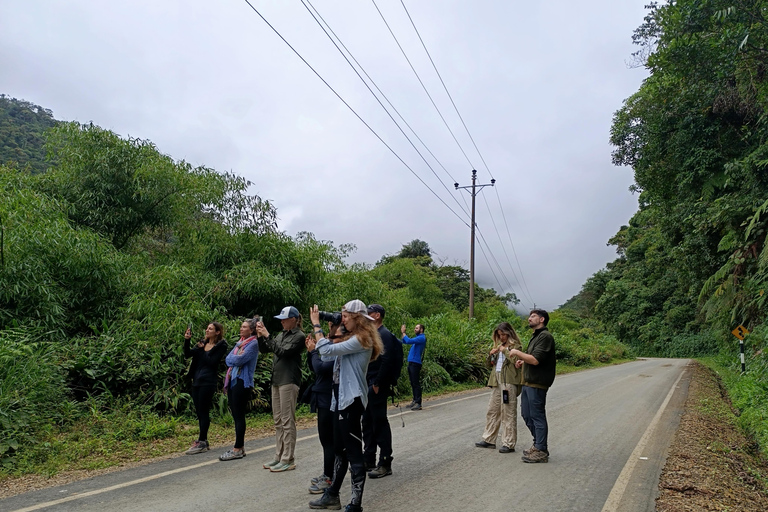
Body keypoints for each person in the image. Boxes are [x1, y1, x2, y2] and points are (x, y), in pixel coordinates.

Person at [307, 300, 383, 512]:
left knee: (353, 453)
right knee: (340, 451)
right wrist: (332, 329)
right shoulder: (354, 338)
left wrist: (316, 325)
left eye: (346, 316)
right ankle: (332, 495)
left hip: (351, 401)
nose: (343, 319)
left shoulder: (362, 339)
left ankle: (355, 504)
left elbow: (324, 350)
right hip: (341, 400)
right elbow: (330, 347)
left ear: (357, 318)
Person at [256, 306, 306, 473]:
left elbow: (283, 352)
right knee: (278, 420)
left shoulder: (299, 336)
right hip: (277, 380)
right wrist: (260, 336)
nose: (282, 322)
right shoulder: (281, 334)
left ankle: (288, 458)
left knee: (287, 420)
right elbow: (266, 349)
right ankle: (279, 455)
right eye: (281, 319)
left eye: (284, 319)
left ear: (294, 319)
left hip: (289, 380)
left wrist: (268, 335)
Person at [508, 309, 556, 463]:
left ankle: (541, 449)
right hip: (528, 382)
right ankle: (538, 445)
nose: (529, 318)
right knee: (527, 415)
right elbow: (532, 359)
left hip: (537, 383)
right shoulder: (536, 337)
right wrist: (522, 361)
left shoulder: (545, 336)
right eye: (530, 316)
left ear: (542, 319)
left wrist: (516, 352)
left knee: (537, 416)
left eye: (533, 316)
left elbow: (535, 360)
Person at [363, 304, 403, 478]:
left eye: (369, 313)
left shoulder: (384, 335)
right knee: (367, 421)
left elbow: (386, 361)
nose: (365, 316)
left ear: (377, 315)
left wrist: (378, 383)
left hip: (377, 384)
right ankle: (368, 458)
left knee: (379, 422)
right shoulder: (373, 334)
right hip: (368, 383)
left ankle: (385, 462)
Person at [474, 322, 523, 453]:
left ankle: (509, 442)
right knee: (492, 410)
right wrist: (491, 355)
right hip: (497, 381)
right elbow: (489, 365)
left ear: (509, 333)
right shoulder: (498, 346)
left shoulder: (516, 346)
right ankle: (489, 439)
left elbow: (516, 361)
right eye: (499, 335)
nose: (501, 337)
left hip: (509, 382)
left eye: (503, 334)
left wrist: (506, 351)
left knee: (508, 412)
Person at [183, 322, 228, 455]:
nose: (207, 330)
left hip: (208, 382)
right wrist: (187, 340)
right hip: (196, 380)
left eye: (210, 329)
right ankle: (203, 440)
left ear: (217, 332)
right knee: (199, 411)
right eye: (207, 328)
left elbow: (211, 362)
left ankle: (202, 440)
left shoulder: (221, 346)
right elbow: (188, 354)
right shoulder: (202, 343)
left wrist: (202, 350)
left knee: (204, 411)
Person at [219, 318, 260, 461]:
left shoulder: (253, 344)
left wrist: (233, 359)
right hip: (233, 380)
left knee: (239, 415)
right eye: (241, 326)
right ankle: (240, 447)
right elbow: (228, 358)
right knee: (236, 415)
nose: (241, 329)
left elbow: (237, 360)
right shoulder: (240, 343)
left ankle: (237, 448)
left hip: (242, 382)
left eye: (244, 327)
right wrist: (233, 358)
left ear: (252, 329)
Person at [306, 321, 339, 495]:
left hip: (329, 398)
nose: (328, 325)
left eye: (332, 324)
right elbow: (314, 367)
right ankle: (328, 473)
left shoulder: (336, 349)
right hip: (322, 396)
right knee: (325, 440)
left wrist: (314, 352)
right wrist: (311, 351)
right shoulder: (329, 346)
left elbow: (321, 368)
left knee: (328, 441)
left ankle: (329, 477)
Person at [401, 323, 426, 410]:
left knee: (416, 383)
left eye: (417, 328)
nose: (415, 329)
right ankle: (415, 400)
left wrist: (404, 333)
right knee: (412, 382)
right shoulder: (417, 338)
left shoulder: (421, 338)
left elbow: (408, 341)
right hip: (412, 362)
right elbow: (404, 341)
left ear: (421, 330)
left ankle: (418, 402)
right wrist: (402, 334)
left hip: (416, 363)